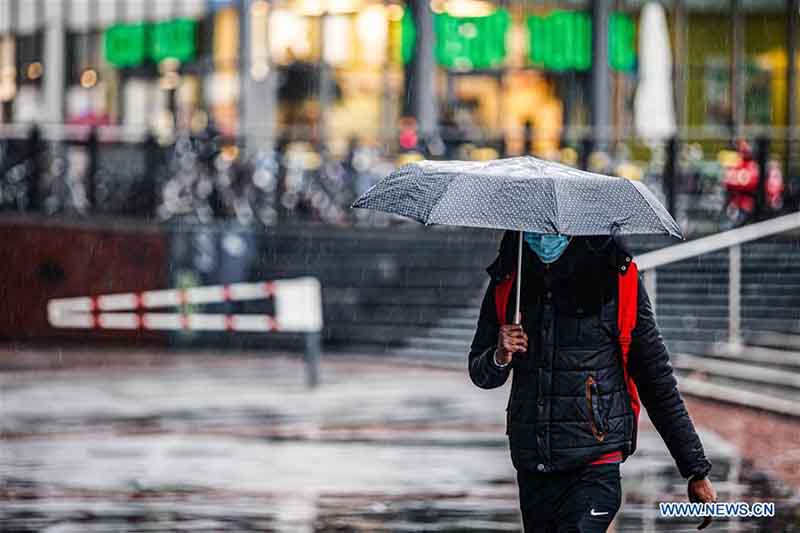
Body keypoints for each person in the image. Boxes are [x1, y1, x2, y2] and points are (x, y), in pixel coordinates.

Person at [468, 231, 717, 532]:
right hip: (533, 463)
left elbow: (656, 379)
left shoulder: (614, 272)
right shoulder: (511, 274)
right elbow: (480, 372)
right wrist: (500, 354)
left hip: (595, 461)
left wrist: (695, 469)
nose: (546, 235)